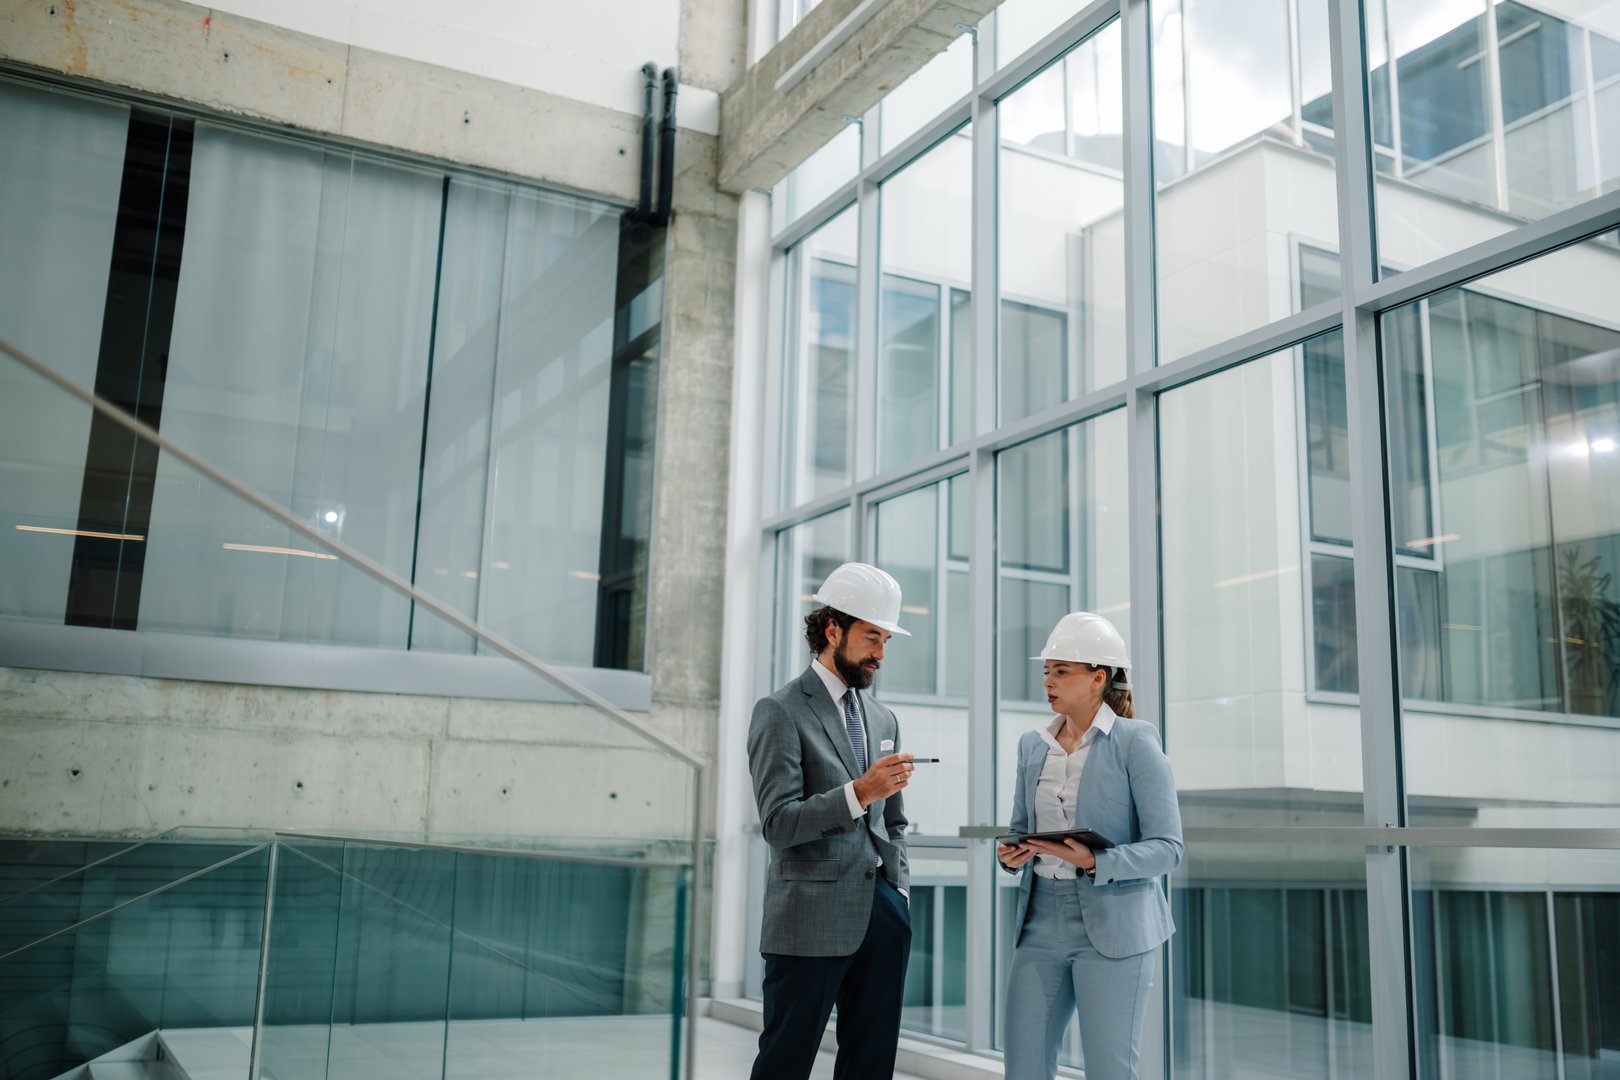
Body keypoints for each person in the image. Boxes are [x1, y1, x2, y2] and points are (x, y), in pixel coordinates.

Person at [746, 561, 917, 1080]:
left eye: (886, 640)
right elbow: (778, 823)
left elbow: (895, 822)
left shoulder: (883, 718)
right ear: (832, 630)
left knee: (871, 1063)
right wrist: (859, 791)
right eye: (872, 638)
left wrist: (899, 890)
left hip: (882, 914)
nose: (881, 654)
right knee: (785, 1061)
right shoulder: (779, 711)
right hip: (809, 918)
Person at [997, 612, 1183, 1080]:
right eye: (1046, 670)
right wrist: (1011, 855)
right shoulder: (1032, 745)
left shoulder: (1135, 741)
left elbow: (1168, 847)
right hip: (1040, 921)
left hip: (1114, 925)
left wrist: (1096, 860)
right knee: (1023, 1066)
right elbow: (1021, 826)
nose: (1048, 681)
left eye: (1061, 671)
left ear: (1098, 678)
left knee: (1109, 1070)